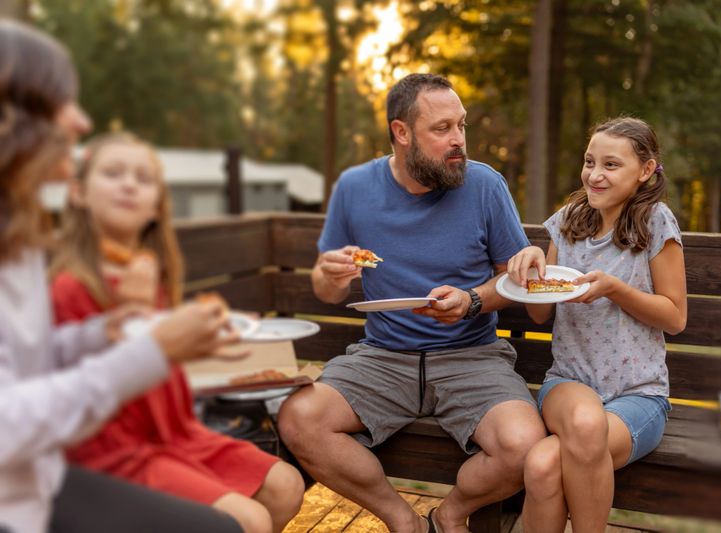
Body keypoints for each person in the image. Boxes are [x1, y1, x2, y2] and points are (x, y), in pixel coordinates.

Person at [0, 20, 243, 533]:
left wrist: (97, 336)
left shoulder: (16, 236)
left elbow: (22, 363)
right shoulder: (62, 276)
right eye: (59, 102)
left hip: (34, 478)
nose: (82, 121)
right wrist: (151, 351)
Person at [278, 73, 548, 533]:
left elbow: (513, 280)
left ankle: (448, 516)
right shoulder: (355, 188)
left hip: (472, 356)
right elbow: (331, 290)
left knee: (524, 445)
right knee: (299, 417)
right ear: (401, 133)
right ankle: (404, 522)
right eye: (442, 129)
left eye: (461, 126)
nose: (458, 140)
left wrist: (471, 301)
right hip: (383, 357)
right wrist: (328, 275)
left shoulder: (485, 186)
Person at [49, 132, 305, 533]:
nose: (129, 184)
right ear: (78, 193)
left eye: (143, 178)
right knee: (249, 520)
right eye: (113, 173)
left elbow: (164, 361)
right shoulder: (70, 288)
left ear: (156, 205)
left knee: (286, 485)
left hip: (175, 430)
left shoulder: (151, 275)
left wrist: (207, 338)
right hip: (109, 450)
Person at [506, 117, 687, 532]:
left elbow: (675, 317)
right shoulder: (567, 222)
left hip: (638, 395)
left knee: (542, 462)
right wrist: (532, 278)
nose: (595, 174)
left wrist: (615, 289)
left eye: (610, 165)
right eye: (590, 162)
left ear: (645, 171)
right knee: (584, 423)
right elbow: (540, 313)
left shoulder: (656, 222)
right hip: (568, 383)